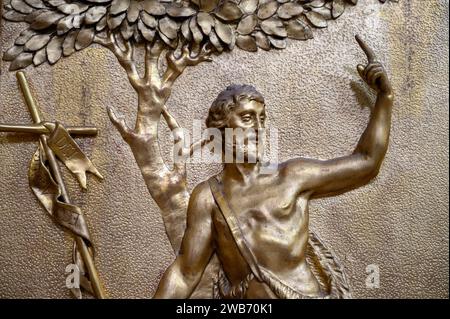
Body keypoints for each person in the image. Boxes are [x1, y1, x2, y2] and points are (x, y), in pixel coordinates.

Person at [154, 36, 393, 299]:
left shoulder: (292, 176)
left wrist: (385, 98)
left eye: (262, 119)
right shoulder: (207, 198)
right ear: (222, 130)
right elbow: (185, 273)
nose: (258, 127)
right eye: (247, 118)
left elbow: (366, 162)